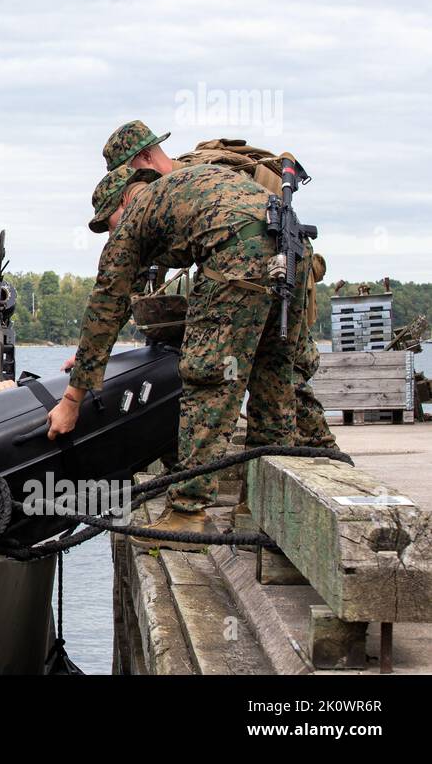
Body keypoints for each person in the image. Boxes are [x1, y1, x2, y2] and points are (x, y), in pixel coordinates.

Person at [48, 163, 310, 548]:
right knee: (273, 381)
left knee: (208, 379)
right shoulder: (184, 188)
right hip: (291, 245)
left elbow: (107, 304)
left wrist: (72, 400)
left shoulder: (136, 214)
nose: (111, 233)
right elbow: (118, 305)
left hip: (235, 250)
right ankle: (261, 507)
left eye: (108, 223)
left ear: (124, 199)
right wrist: (90, 359)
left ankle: (187, 513)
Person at [98, 120, 334, 450]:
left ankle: (321, 453)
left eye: (128, 171)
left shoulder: (204, 176)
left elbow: (255, 239)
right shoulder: (167, 195)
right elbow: (139, 273)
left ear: (146, 158)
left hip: (275, 276)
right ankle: (295, 453)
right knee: (269, 374)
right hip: (250, 279)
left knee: (281, 372)